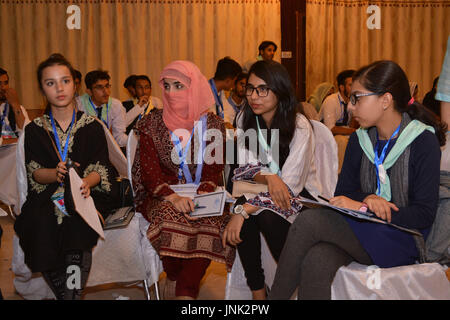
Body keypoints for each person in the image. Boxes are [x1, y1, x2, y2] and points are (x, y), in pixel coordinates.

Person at [269, 60, 447, 300]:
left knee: (309, 221)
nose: (351, 108)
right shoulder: (359, 140)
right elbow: (344, 191)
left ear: (385, 100)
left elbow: (424, 214)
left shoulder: (422, 141)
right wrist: (368, 200)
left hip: (403, 237)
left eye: (357, 98)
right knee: (317, 258)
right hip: (365, 227)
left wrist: (368, 209)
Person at [14, 53, 117, 300]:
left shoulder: (92, 126)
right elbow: (34, 172)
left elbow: (101, 167)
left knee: (77, 220)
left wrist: (85, 182)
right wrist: (55, 173)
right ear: (42, 88)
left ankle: (70, 293)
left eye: (65, 81)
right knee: (38, 221)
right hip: (47, 195)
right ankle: (69, 293)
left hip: (85, 194)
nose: (59, 88)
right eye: (50, 83)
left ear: (75, 84)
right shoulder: (35, 129)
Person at [131, 60, 235, 300]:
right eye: (166, 86)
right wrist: (173, 196)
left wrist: (204, 191)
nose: (170, 92)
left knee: (213, 221)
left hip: (202, 192)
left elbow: (213, 169)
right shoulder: (151, 124)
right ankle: (177, 278)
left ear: (194, 87)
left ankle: (184, 289)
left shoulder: (213, 125)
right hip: (161, 194)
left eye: (178, 85)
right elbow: (149, 173)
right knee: (170, 221)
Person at [222, 60, 323, 300]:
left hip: (301, 197)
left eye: (262, 89)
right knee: (246, 205)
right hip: (261, 185)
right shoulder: (245, 117)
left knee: (261, 213)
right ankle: (259, 294)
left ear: (280, 90)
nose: (254, 96)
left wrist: (243, 209)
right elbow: (245, 169)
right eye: (250, 88)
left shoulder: (298, 125)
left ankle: (293, 284)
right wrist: (269, 176)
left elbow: (291, 186)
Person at [76, 69, 128, 148]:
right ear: (89, 91)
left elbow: (118, 137)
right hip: (82, 148)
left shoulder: (116, 105)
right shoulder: (78, 104)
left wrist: (136, 142)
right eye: (99, 87)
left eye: (107, 86)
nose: (106, 92)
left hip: (105, 148)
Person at [320, 69, 358, 135]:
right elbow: (330, 128)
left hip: (343, 135)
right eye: (350, 85)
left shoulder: (352, 100)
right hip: (325, 137)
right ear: (342, 87)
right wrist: (353, 131)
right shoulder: (331, 100)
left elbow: (351, 126)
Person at [208, 57, 242, 127]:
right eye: (235, 81)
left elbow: (226, 114)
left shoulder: (221, 92)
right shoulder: (205, 92)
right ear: (228, 80)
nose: (234, 85)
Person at [0, 68, 29, 144]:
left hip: (13, 151)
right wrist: (19, 141)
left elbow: (27, 132)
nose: (3, 87)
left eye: (6, 83)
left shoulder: (15, 106)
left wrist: (15, 105)